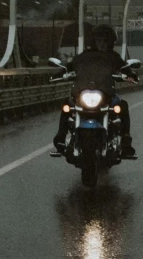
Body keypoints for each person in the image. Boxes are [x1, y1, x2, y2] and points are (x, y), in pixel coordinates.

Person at [52, 22, 138, 158]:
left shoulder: (114, 57)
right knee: (67, 104)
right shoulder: (84, 56)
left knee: (122, 106)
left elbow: (125, 69)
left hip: (105, 94)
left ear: (111, 42)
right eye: (99, 40)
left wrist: (131, 75)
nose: (102, 44)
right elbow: (71, 65)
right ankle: (60, 138)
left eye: (105, 41)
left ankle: (126, 141)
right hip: (84, 91)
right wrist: (59, 73)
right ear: (93, 41)